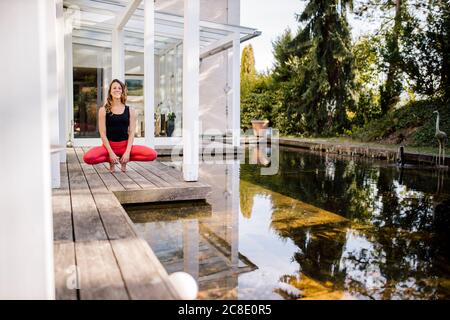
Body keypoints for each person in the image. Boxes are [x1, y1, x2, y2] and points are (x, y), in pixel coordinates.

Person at [83, 79, 157, 172]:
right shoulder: (103, 110)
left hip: (125, 146)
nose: (117, 90)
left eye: (119, 88)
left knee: (152, 154)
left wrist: (127, 152)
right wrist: (111, 153)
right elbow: (102, 133)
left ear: (122, 91)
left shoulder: (130, 110)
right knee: (87, 158)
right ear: (110, 91)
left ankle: (124, 159)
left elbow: (131, 132)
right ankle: (111, 160)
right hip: (108, 147)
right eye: (114, 88)